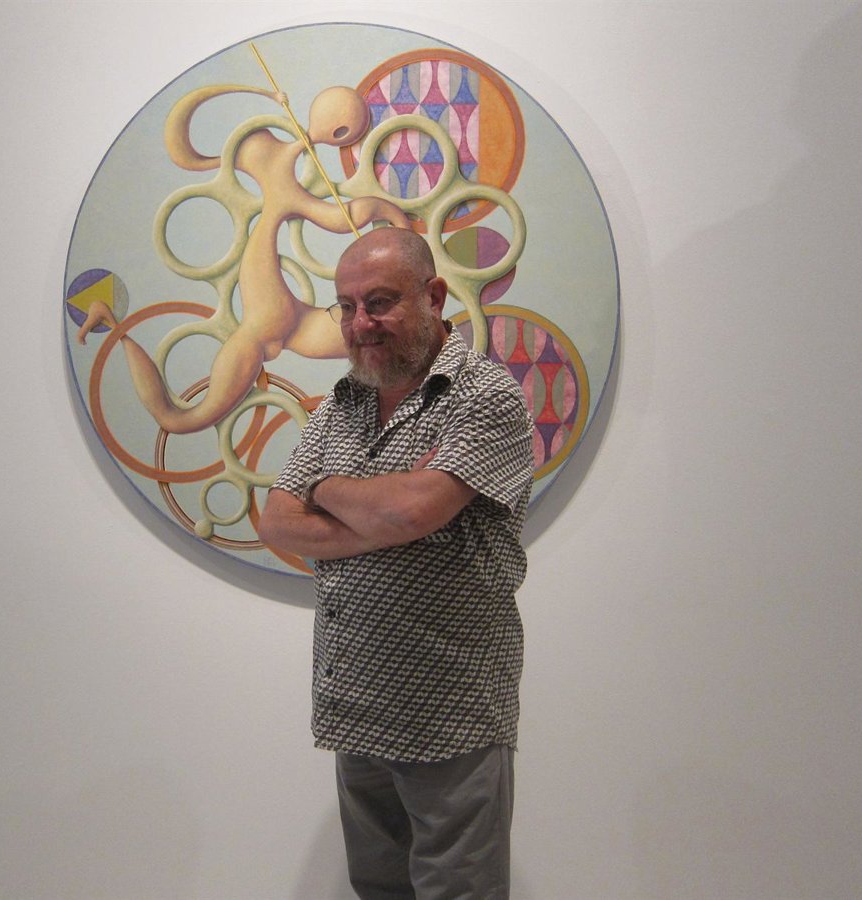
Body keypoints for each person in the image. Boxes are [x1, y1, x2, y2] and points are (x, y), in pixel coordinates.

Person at [257, 228, 534, 899]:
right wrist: (378, 516)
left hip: (451, 715)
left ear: (433, 296)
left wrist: (326, 487)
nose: (360, 323)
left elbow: (411, 511)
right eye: (347, 306)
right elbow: (277, 522)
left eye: (379, 302)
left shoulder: (484, 396)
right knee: (377, 890)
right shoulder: (344, 403)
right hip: (356, 708)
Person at [77, 84, 408, 434]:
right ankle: (110, 321)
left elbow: (186, 154)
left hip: (290, 323)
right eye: (345, 130)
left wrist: (261, 93)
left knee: (391, 332)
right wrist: (394, 219)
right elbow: (344, 217)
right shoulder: (271, 157)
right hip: (270, 316)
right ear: (339, 132)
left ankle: (112, 323)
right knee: (178, 420)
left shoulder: (259, 148)